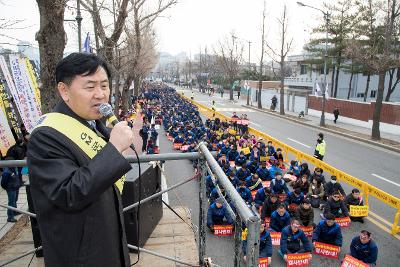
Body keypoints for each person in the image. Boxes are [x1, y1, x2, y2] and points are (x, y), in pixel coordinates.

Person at [27, 53, 135, 267]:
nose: (100, 94)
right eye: (90, 87)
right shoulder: (46, 136)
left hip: (108, 243)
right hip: (79, 255)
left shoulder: (95, 125)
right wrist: (113, 149)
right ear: (64, 91)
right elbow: (69, 193)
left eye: (104, 86)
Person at [1, 157, 22, 222]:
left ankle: (15, 211)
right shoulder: (6, 172)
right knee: (11, 202)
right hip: (11, 188)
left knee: (14, 200)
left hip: (15, 187)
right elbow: (3, 182)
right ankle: (10, 217)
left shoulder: (13, 168)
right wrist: (7, 188)